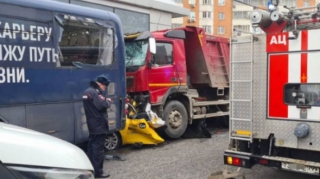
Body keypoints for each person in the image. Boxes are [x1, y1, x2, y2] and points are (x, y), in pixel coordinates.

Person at [83, 75, 112, 178]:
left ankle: (90, 169)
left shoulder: (88, 91)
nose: (104, 89)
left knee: (91, 148)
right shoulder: (95, 92)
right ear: (100, 84)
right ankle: (99, 172)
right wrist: (108, 101)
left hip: (92, 124)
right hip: (99, 125)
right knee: (98, 150)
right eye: (104, 87)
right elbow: (102, 105)